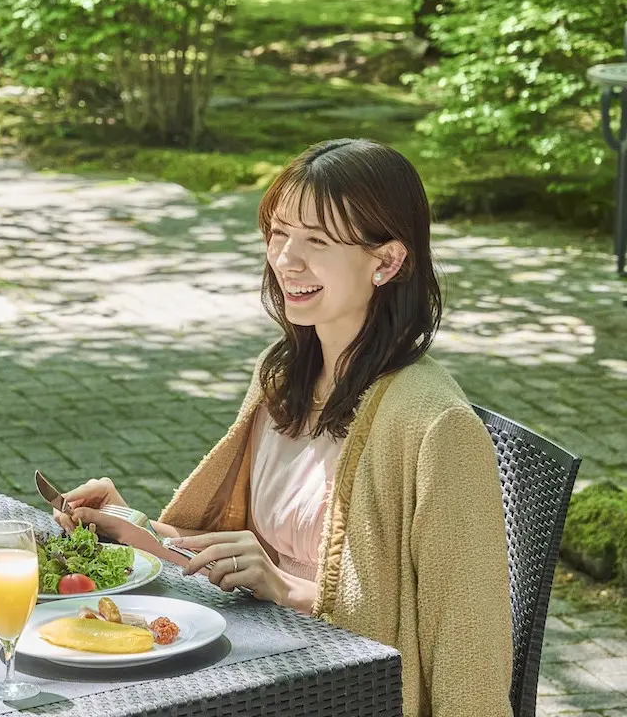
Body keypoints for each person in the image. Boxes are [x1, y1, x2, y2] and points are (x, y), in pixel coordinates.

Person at [56, 138, 514, 717]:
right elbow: (243, 561)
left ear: (387, 262)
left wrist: (285, 587)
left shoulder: (434, 425)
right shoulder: (282, 375)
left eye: (316, 241)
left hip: (343, 694)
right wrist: (130, 526)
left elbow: (468, 647)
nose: (286, 259)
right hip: (260, 668)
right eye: (278, 233)